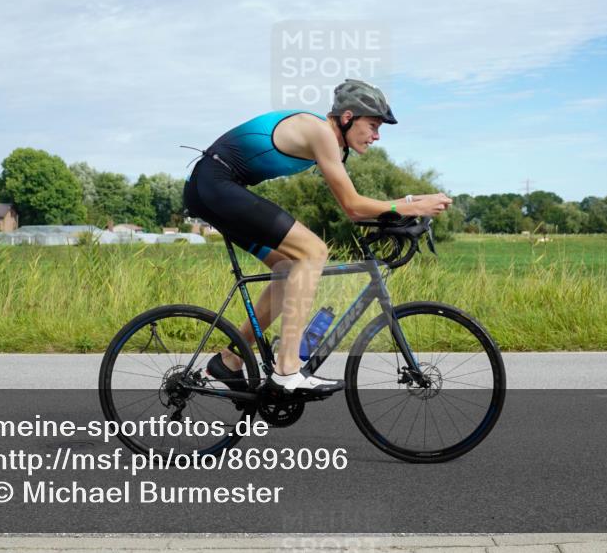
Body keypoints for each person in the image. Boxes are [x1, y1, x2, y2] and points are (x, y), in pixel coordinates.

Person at [182, 79, 452, 394]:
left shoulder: (330, 142)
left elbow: (356, 205)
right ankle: (287, 371)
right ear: (348, 117)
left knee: (286, 268)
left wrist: (411, 204)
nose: (377, 136)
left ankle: (229, 359)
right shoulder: (321, 132)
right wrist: (414, 205)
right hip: (215, 185)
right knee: (312, 251)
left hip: (214, 189)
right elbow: (353, 207)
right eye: (373, 126)